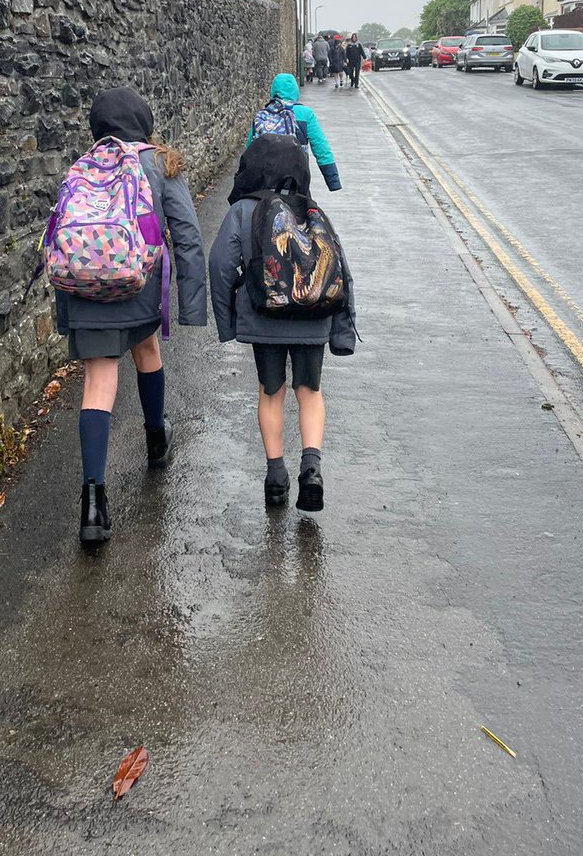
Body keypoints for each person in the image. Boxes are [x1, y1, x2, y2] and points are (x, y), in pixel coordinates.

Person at [53, 87, 207, 545]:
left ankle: (94, 505)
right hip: (139, 286)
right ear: (144, 121)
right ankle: (156, 440)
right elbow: (188, 235)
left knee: (98, 383)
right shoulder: (159, 163)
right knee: (147, 349)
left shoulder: (83, 166)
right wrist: (193, 307)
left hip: (85, 290)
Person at [208, 135, 357, 511]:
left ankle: (276, 478)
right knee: (309, 391)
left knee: (270, 393)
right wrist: (341, 331)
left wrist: (228, 323)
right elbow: (341, 271)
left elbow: (221, 266)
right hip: (312, 319)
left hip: (265, 318)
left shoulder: (244, 210)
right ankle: (311, 468)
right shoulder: (312, 211)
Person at [247, 72, 341, 192]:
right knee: (305, 208)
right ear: (295, 91)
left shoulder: (262, 115)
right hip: (296, 181)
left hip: (264, 181)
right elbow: (321, 147)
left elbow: (249, 149)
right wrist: (333, 180)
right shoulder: (305, 114)